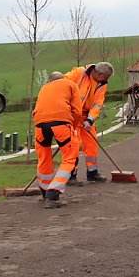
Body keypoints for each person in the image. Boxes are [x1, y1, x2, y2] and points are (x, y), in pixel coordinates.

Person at [32, 71, 83, 209]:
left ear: (50, 80)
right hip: (61, 123)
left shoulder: (44, 88)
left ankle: (45, 192)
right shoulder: (70, 84)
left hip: (39, 125)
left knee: (44, 158)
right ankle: (53, 194)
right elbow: (77, 111)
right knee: (69, 158)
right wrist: (74, 126)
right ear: (63, 78)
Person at [65, 61, 114, 183]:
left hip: (86, 117)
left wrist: (89, 120)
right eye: (106, 77)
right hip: (72, 116)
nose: (106, 80)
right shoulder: (78, 73)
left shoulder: (102, 84)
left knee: (92, 143)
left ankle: (92, 173)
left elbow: (97, 104)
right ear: (98, 73)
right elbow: (61, 84)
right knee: (73, 144)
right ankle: (71, 175)